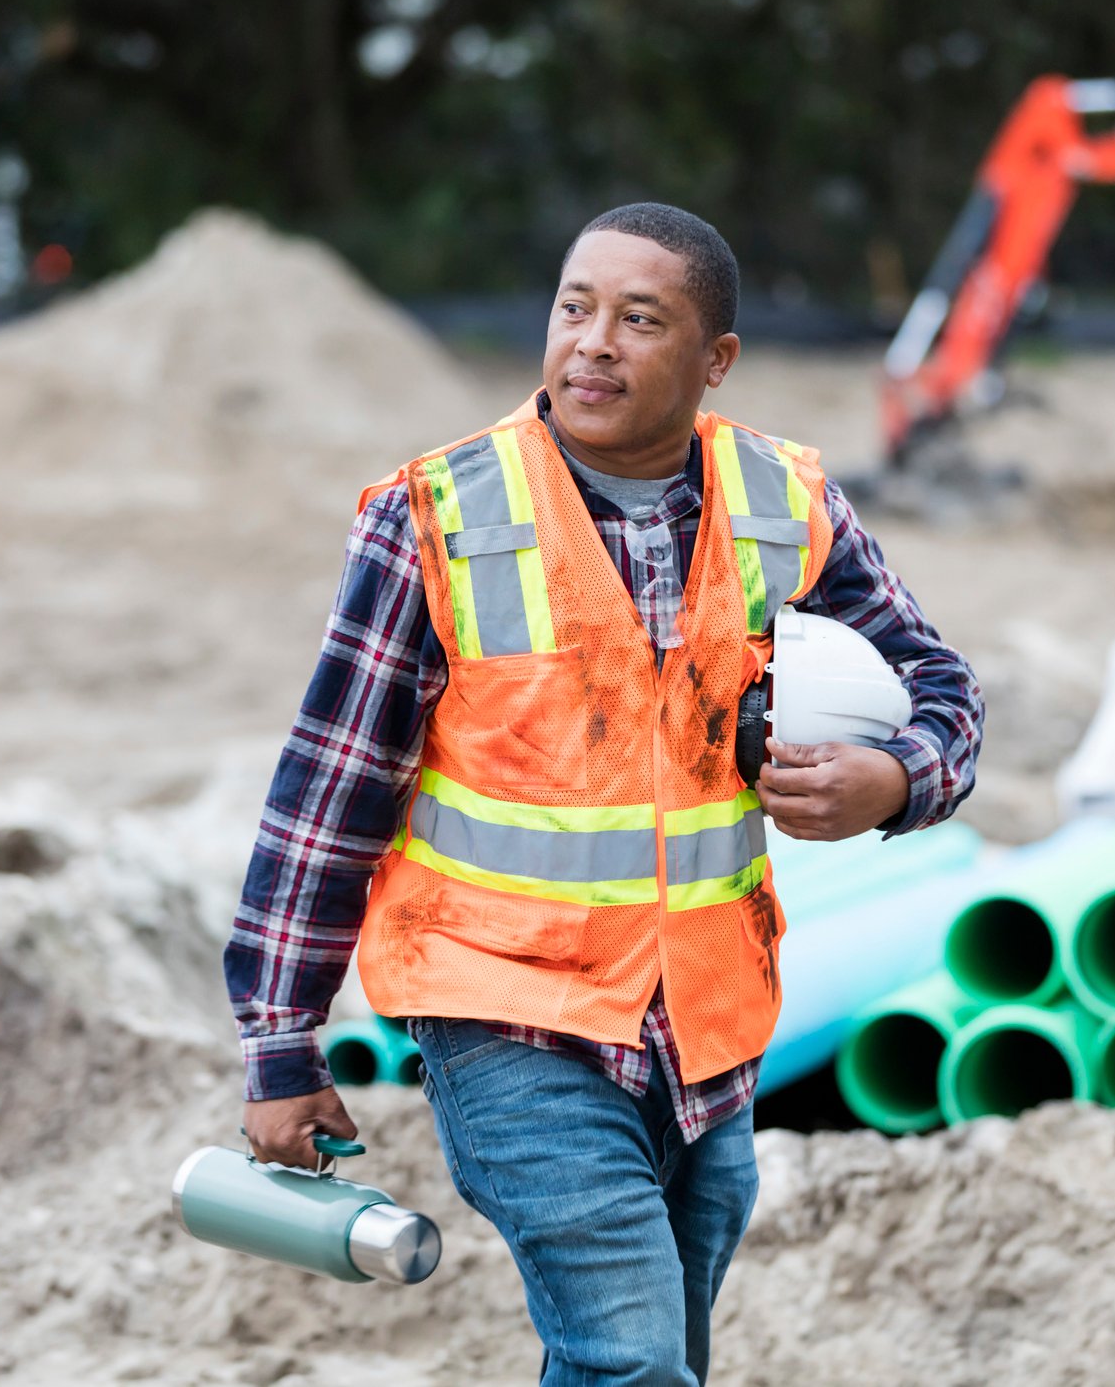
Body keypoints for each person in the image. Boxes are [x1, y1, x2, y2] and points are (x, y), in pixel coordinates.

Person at [226, 202, 983, 1384]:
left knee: (649, 1355)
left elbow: (941, 683)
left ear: (715, 361)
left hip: (706, 1031)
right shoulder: (436, 516)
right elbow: (330, 785)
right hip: (507, 1014)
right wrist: (282, 1040)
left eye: (640, 320)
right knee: (632, 1359)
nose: (593, 343)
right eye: (575, 307)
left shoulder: (784, 504)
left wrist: (894, 779)